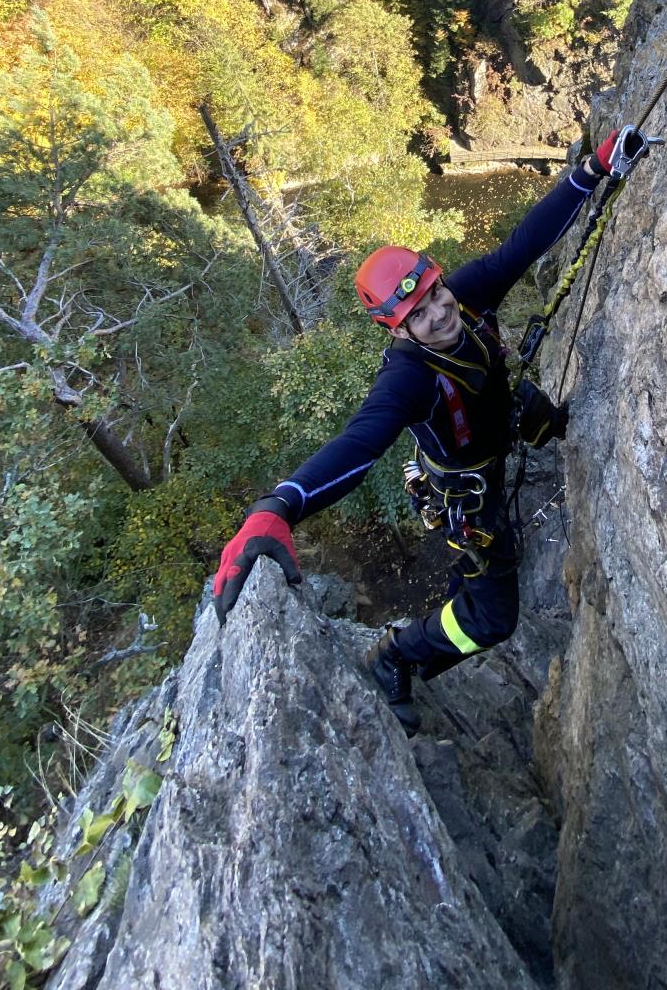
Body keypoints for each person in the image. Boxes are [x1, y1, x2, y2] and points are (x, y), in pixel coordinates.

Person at [212, 129, 627, 735]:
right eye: (419, 314)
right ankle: (398, 655)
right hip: (468, 494)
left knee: (540, 413)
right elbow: (361, 442)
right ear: (396, 330)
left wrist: (591, 172)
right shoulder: (408, 377)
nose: (440, 314)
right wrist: (280, 505)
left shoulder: (462, 295)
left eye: (436, 294)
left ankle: (531, 457)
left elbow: (524, 245)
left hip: (502, 419)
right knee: (491, 619)